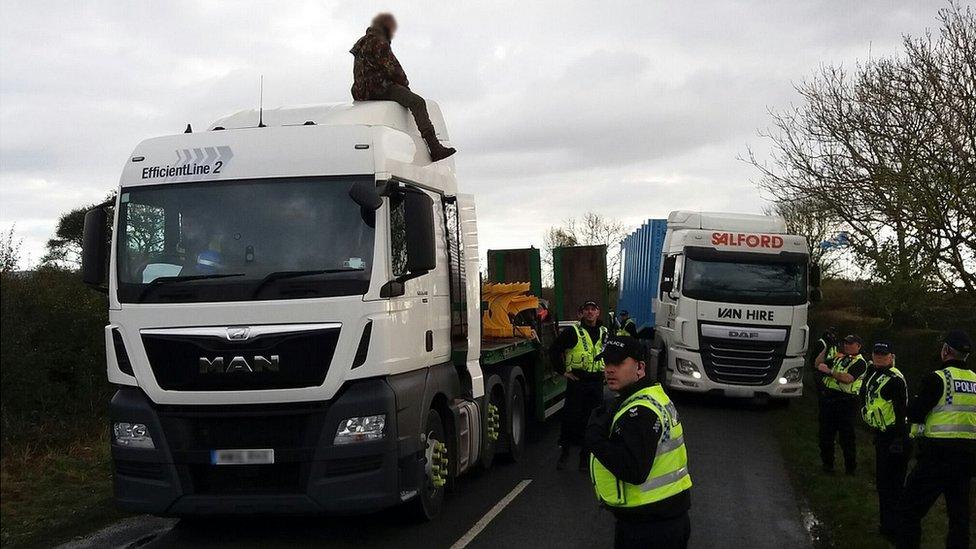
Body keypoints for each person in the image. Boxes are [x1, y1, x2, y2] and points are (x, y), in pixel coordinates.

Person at [586, 336, 692, 549]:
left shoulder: (641, 411)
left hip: (649, 529)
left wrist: (595, 439)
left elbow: (633, 470)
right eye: (607, 363)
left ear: (640, 367)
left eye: (617, 363)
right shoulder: (651, 395)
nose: (609, 369)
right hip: (664, 519)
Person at [898, 330, 975, 549]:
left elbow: (915, 413)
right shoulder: (975, 381)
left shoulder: (938, 378)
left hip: (937, 458)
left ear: (946, 351)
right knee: (959, 519)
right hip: (967, 459)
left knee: (909, 510)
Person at [349, 13, 456, 162]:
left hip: (361, 91)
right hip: (379, 87)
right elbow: (394, 70)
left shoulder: (360, 43)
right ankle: (434, 146)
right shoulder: (379, 42)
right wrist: (405, 87)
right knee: (417, 102)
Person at [858, 341, 909, 541]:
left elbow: (901, 411)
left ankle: (894, 529)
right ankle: (886, 525)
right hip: (882, 436)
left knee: (892, 487)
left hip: (894, 438)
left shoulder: (895, 379)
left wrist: (899, 438)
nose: (879, 357)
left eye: (883, 354)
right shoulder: (873, 373)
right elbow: (865, 394)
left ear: (891, 357)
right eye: (876, 354)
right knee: (883, 485)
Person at [549, 300, 607, 470]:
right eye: (586, 309)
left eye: (593, 309)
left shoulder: (605, 332)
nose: (590, 312)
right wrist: (562, 371)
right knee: (570, 418)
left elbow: (610, 354)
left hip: (596, 383)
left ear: (598, 312)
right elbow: (554, 350)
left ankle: (585, 457)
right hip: (578, 382)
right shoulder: (572, 332)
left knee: (592, 421)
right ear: (582, 313)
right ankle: (565, 452)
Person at [816, 334, 868, 474]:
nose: (847, 345)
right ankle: (827, 465)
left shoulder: (860, 362)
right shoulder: (839, 357)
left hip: (847, 402)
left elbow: (848, 378)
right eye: (845, 342)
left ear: (858, 346)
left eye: (851, 343)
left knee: (846, 437)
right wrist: (825, 349)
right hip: (829, 399)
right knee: (825, 434)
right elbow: (818, 365)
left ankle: (850, 468)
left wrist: (830, 371)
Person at [811, 327, 839, 394]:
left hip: (829, 370)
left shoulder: (834, 344)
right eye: (832, 335)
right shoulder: (821, 343)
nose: (834, 336)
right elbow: (813, 358)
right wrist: (815, 369)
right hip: (820, 370)